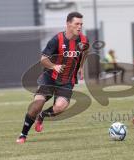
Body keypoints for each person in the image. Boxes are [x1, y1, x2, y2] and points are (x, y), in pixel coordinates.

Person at [16, 12, 89, 143]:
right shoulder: (57, 40)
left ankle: (42, 116)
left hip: (67, 80)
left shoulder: (83, 40)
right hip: (50, 78)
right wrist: (54, 66)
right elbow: (43, 59)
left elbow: (84, 52)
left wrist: (82, 67)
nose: (79, 27)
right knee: (37, 105)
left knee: (60, 107)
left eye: (81, 24)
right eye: (76, 24)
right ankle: (23, 134)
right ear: (68, 24)